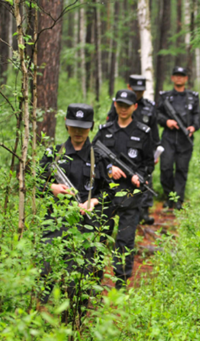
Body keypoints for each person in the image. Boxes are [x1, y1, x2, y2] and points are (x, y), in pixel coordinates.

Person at [38, 103, 111, 322]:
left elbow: (110, 192)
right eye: (73, 126)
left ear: (90, 127)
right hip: (55, 225)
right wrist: (52, 188)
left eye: (83, 127)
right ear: (66, 125)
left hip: (85, 228)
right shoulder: (53, 154)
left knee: (77, 281)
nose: (78, 132)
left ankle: (73, 329)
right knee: (44, 273)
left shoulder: (99, 156)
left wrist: (94, 202)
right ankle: (33, 323)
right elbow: (34, 181)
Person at [93, 89, 154, 289]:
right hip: (106, 194)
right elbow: (93, 156)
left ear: (134, 107)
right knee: (100, 237)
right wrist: (110, 168)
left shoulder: (143, 133)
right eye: (120, 105)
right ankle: (94, 281)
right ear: (115, 106)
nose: (123, 109)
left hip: (131, 196)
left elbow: (148, 163)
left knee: (125, 240)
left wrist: (140, 176)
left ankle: (120, 283)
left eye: (127, 106)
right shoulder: (104, 131)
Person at [106, 74, 160, 225]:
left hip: (142, 150)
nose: (138, 93)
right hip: (119, 152)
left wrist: (155, 152)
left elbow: (154, 132)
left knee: (144, 179)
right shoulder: (116, 108)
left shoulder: (149, 106)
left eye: (141, 91)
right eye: (135, 90)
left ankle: (142, 211)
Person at [156, 66, 200, 210]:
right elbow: (156, 114)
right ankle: (169, 198)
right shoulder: (165, 97)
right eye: (176, 75)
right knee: (166, 167)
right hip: (168, 138)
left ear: (186, 78)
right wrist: (166, 121)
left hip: (185, 139)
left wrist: (194, 126)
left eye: (182, 75)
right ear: (172, 78)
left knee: (182, 169)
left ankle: (179, 200)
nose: (179, 78)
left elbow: (197, 116)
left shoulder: (193, 97)